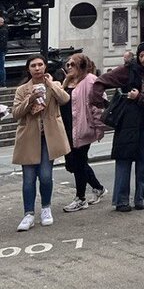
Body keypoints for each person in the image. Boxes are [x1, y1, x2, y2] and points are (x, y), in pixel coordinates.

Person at [91, 40, 144, 212]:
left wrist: (139, 97)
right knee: (124, 160)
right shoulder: (129, 70)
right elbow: (102, 81)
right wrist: (101, 102)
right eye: (141, 55)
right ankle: (121, 200)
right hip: (128, 122)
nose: (143, 59)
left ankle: (140, 198)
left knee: (143, 161)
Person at [11, 54, 70, 231]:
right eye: (33, 66)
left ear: (45, 67)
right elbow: (16, 113)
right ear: (28, 69)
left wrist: (50, 84)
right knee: (28, 178)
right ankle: (28, 213)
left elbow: (65, 99)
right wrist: (30, 99)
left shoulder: (54, 85)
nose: (37, 68)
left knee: (45, 175)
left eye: (40, 65)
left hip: (49, 137)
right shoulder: (22, 89)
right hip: (28, 137)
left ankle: (46, 208)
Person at [59, 53, 106, 211]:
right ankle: (98, 188)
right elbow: (57, 98)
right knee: (73, 164)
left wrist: (98, 127)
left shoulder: (90, 80)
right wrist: (65, 82)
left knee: (79, 163)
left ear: (82, 66)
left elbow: (99, 104)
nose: (69, 67)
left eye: (73, 64)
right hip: (66, 129)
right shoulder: (67, 82)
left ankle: (80, 198)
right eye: (68, 64)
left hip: (82, 128)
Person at [0, 13, 7, 86]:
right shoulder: (4, 30)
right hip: (2, 50)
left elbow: (2, 42)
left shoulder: (3, 30)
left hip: (1, 51)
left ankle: (2, 83)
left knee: (1, 67)